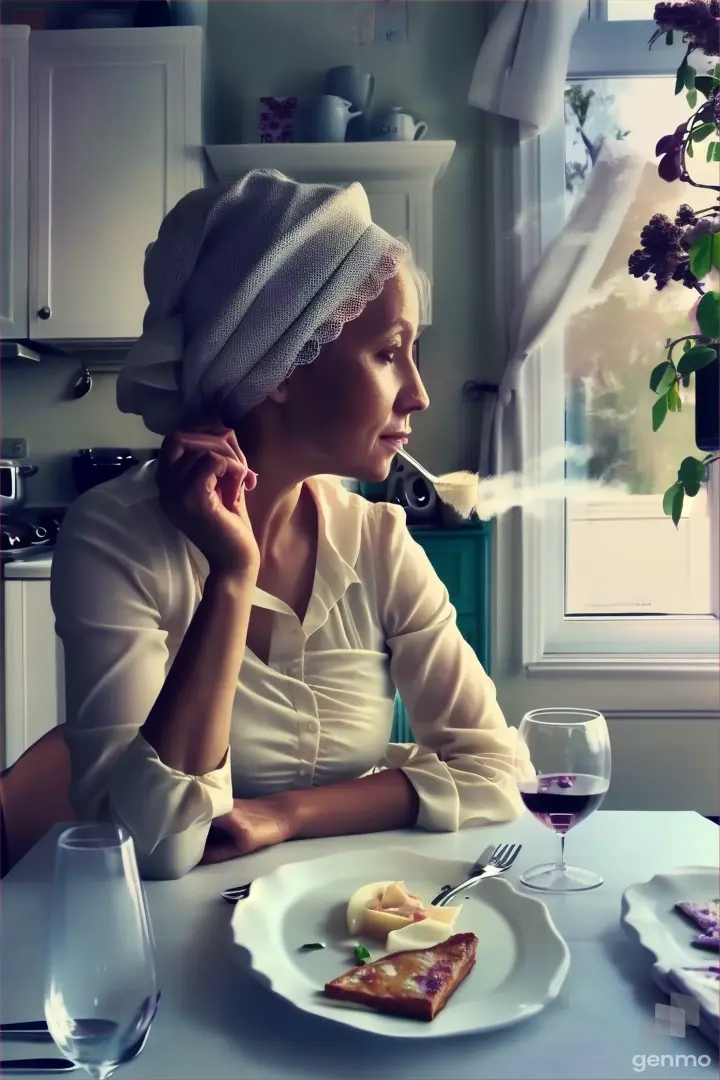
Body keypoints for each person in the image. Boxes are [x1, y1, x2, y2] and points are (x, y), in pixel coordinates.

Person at [51, 169, 530, 880]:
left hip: (339, 940)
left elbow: (502, 771)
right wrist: (231, 577)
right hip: (167, 958)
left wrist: (289, 815)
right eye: (389, 353)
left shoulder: (378, 540)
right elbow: (154, 846)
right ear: (282, 364)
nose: (420, 395)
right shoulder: (112, 540)